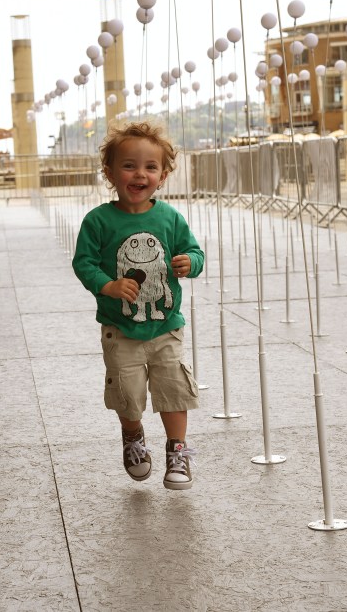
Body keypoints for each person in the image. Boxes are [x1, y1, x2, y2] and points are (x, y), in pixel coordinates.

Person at [72, 122, 204, 490]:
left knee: (173, 387)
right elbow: (83, 263)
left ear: (162, 176)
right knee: (128, 395)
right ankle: (133, 436)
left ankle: (177, 450)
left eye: (150, 167)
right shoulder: (98, 220)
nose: (139, 173)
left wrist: (190, 262)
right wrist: (109, 285)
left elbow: (195, 251)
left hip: (165, 325)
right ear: (110, 172)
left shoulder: (170, 218)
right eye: (129, 165)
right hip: (121, 328)